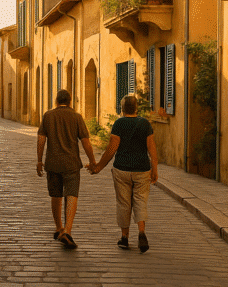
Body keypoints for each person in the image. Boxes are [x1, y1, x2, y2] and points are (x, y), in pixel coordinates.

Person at [90, 94, 158, 253]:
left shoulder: (119, 124)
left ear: (122, 109)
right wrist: (154, 168)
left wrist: (99, 166)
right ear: (136, 108)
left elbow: (111, 148)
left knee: (123, 203)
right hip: (142, 169)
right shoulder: (145, 124)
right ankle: (141, 232)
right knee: (141, 201)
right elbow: (151, 148)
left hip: (122, 169)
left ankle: (124, 237)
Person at [38, 89, 97, 249]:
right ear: (70, 101)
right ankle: (68, 230)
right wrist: (93, 162)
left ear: (56, 101)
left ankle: (58, 227)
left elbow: (41, 139)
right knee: (71, 194)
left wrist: (39, 161)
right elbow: (86, 142)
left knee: (55, 195)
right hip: (71, 164)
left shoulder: (48, 116)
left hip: (53, 163)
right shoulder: (76, 117)